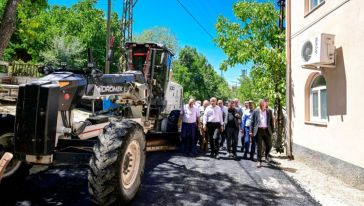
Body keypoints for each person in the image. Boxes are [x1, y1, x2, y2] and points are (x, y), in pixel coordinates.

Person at [250, 99, 274, 168]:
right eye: (262, 105)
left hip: (267, 130)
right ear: (259, 105)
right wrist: (251, 131)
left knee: (269, 145)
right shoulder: (256, 111)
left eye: (264, 105)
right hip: (259, 131)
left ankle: (266, 155)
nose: (263, 106)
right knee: (259, 147)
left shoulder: (269, 111)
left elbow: (271, 122)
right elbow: (252, 122)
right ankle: (259, 161)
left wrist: (272, 131)